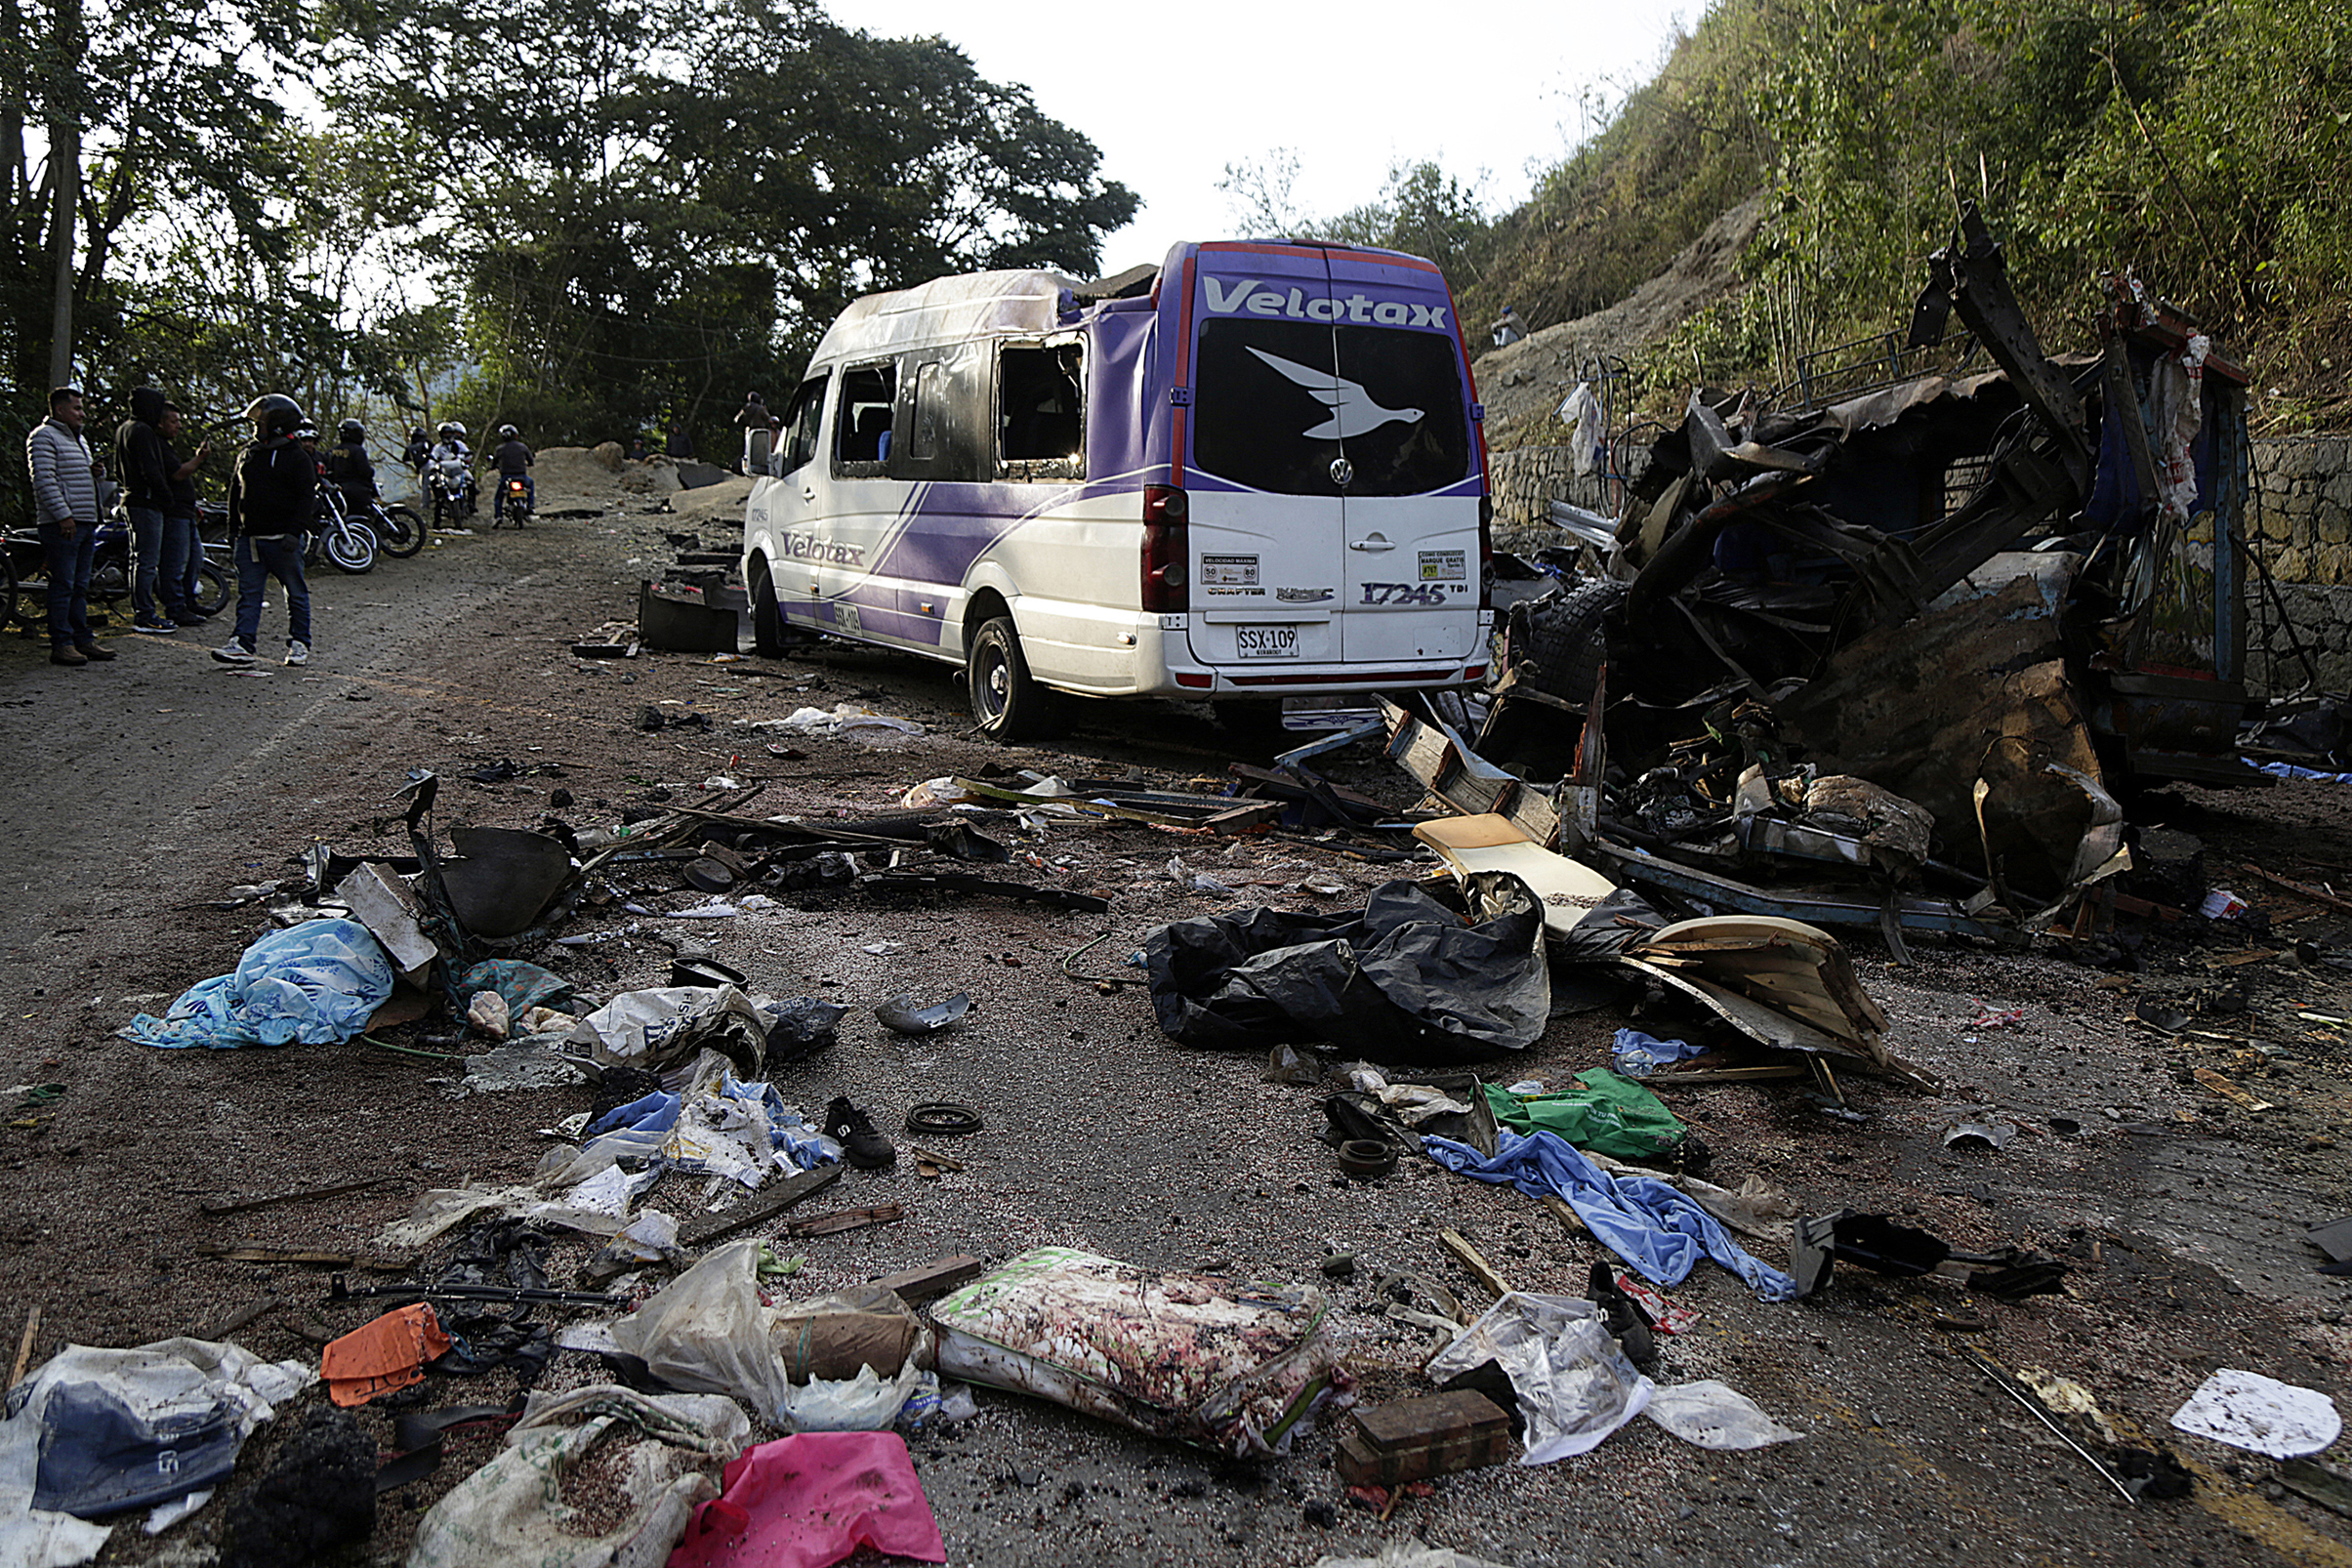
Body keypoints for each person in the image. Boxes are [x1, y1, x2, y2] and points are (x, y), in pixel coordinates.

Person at [214, 393, 316, 668]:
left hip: (283, 539)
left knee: (295, 592)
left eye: (261, 422)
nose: (255, 428)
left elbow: (306, 498)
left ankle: (299, 643)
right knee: (249, 593)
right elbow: (235, 494)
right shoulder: (248, 454)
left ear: (279, 425)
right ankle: (242, 644)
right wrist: (234, 530)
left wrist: (295, 532)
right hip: (250, 539)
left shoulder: (297, 458)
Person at [24, 386, 115, 666]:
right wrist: (64, 516)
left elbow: (75, 478)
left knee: (80, 585)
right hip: (63, 524)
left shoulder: (80, 439)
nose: (82, 413)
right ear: (60, 410)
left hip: (86, 521)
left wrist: (96, 475)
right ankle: (61, 643)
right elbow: (44, 480)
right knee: (63, 584)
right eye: (76, 408)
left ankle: (82, 639)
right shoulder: (43, 437)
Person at [116, 386, 179, 634]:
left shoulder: (124, 429)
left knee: (139, 558)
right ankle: (145, 613)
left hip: (131, 497)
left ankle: (144, 610)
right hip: (146, 501)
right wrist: (165, 496)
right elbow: (150, 469)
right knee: (147, 561)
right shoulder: (143, 431)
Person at [156, 403, 212, 627]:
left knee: (195, 558)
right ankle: (175, 608)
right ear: (160, 422)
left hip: (187, 511)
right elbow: (178, 475)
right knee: (175, 563)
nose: (178, 426)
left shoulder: (169, 447)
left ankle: (190, 601)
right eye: (173, 421)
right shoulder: (158, 446)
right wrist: (199, 458)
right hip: (174, 513)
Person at [327, 418, 376, 515]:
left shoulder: (332, 451)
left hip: (337, 492)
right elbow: (365, 471)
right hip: (358, 492)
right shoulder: (358, 451)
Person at [429, 421, 475, 516]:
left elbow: (467, 454)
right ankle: (439, 502)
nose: (447, 436)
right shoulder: (438, 448)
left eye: (449, 433)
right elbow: (432, 458)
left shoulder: (459, 444)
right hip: (444, 471)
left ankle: (471, 504)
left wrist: (466, 459)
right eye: (445, 434)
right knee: (433, 480)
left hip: (458, 469)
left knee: (471, 480)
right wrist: (433, 467)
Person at [489, 423, 533, 521]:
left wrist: (493, 467)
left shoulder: (499, 449)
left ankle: (498, 516)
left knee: (498, 498)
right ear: (515, 435)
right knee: (531, 485)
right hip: (521, 476)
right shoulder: (523, 447)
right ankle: (530, 506)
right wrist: (529, 463)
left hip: (506, 477)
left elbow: (494, 463)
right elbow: (530, 460)